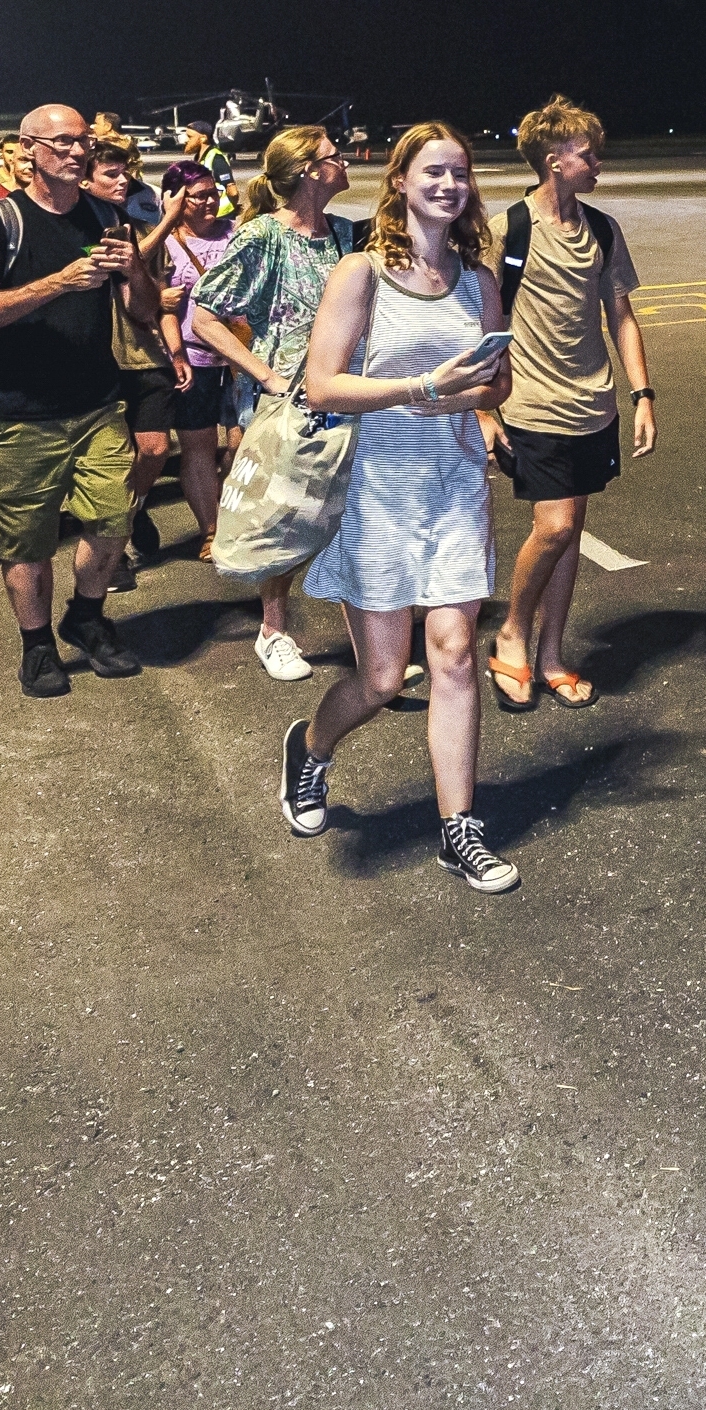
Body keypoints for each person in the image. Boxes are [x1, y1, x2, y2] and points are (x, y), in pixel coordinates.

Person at [270, 123, 517, 892]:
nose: (450, 184)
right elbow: (321, 385)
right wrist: (425, 388)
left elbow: (498, 383)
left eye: (461, 174)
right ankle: (309, 749)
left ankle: (459, 830)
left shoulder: (480, 281)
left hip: (453, 489)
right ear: (402, 183)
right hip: (377, 494)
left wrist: (477, 390)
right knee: (382, 680)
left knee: (452, 654)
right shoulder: (362, 273)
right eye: (434, 172)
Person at [0, 104, 153, 698]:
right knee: (26, 541)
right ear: (28, 148)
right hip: (18, 411)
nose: (76, 152)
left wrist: (133, 270)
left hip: (96, 403)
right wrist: (61, 281)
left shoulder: (105, 214)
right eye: (62, 142)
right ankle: (36, 644)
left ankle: (86, 617)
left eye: (82, 142)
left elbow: (142, 308)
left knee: (114, 519)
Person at [482, 95, 654, 708]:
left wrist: (642, 395)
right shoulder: (508, 231)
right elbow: (480, 324)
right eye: (589, 153)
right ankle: (510, 634)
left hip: (593, 405)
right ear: (554, 160)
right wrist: (482, 409)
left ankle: (552, 652)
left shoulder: (603, 229)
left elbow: (621, 316)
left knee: (571, 528)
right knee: (553, 528)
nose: (599, 162)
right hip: (531, 404)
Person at [186, 124, 363, 681]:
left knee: (350, 518)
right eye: (335, 156)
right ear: (310, 170)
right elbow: (205, 315)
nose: (346, 161)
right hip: (289, 405)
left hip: (346, 397)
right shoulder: (265, 235)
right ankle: (273, 629)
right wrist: (265, 375)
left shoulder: (345, 235)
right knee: (282, 515)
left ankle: (368, 646)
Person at [86, 141, 183, 574]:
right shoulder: (77, 228)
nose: (123, 180)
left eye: (125, 172)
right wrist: (169, 222)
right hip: (99, 359)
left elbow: (151, 302)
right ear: (86, 180)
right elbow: (113, 262)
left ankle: (130, 510)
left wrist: (174, 349)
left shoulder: (139, 229)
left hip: (144, 354)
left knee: (155, 448)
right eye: (110, 174)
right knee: (112, 458)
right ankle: (114, 548)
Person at [145, 154, 241, 560]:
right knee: (198, 445)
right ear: (177, 198)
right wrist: (176, 352)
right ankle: (212, 529)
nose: (208, 203)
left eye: (213, 195)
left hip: (240, 357)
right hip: (193, 358)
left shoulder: (237, 232)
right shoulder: (164, 241)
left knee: (242, 445)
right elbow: (155, 302)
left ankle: (236, 515)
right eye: (197, 196)